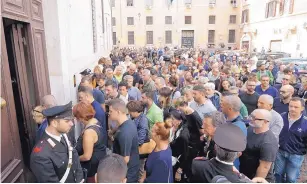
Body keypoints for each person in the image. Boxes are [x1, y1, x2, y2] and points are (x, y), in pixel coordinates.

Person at [30, 102, 84, 183]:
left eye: (71, 120)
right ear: (54, 123)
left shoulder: (64, 136)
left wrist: (79, 180)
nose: (72, 124)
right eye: (67, 121)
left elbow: (75, 159)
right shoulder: (40, 155)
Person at [239, 109, 278, 182]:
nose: (251, 119)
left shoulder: (268, 143)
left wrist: (255, 181)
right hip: (245, 173)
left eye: (255, 119)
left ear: (266, 121)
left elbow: (264, 167)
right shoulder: (251, 129)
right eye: (252, 116)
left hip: (256, 178)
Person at [275, 97, 307, 183]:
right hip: (280, 152)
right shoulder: (281, 117)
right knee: (277, 174)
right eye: (291, 106)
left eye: (296, 107)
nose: (292, 109)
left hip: (296, 155)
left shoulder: (305, 123)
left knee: (291, 178)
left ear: (302, 108)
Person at [73, 102, 107, 182]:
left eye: (76, 117)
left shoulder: (89, 132)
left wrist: (73, 159)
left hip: (91, 168)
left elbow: (87, 156)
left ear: (81, 117)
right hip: (99, 163)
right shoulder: (95, 121)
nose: (76, 120)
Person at [108, 99, 140, 183]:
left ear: (118, 112)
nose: (109, 113)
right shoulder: (128, 123)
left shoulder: (125, 132)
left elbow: (125, 159)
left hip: (127, 174)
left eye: (111, 111)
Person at [164, 110, 190, 182]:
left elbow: (186, 154)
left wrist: (179, 170)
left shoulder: (183, 136)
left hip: (178, 165)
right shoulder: (177, 128)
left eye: (173, 119)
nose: (170, 121)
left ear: (179, 121)